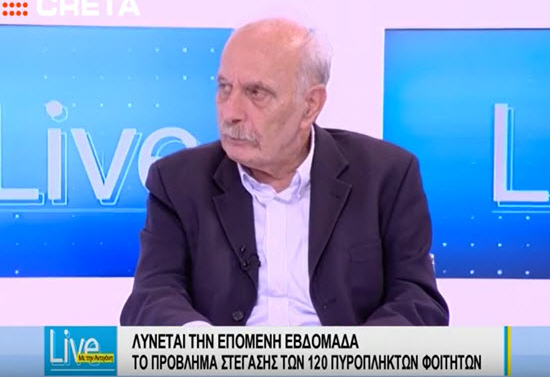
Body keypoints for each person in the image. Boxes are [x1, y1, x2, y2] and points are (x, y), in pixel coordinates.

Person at [120, 18, 449, 326]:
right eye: (224, 87)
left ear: (310, 105)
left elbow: (417, 301)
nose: (231, 112)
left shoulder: (386, 175)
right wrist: (206, 352)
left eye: (256, 92)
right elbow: (153, 296)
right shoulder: (178, 181)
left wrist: (352, 357)